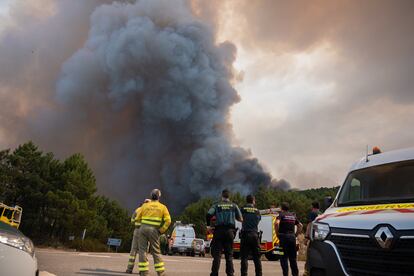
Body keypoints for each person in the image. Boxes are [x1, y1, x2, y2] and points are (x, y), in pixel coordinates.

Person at [206, 189, 243, 276]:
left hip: (219, 232)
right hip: (230, 232)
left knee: (217, 255)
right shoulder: (234, 206)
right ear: (229, 196)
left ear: (222, 196)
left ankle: (214, 273)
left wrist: (208, 227)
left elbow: (208, 214)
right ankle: (230, 274)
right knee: (229, 255)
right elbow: (241, 219)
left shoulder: (216, 205)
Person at [136, 189, 171, 276]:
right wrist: (161, 230)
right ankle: (160, 273)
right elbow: (168, 221)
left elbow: (137, 218)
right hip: (154, 230)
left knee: (142, 250)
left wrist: (141, 226)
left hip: (143, 229)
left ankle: (143, 272)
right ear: (159, 197)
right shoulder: (162, 207)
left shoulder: (145, 206)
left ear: (151, 196)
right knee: (156, 251)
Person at [276, 202, 303, 276]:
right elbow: (300, 225)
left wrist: (277, 234)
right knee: (293, 259)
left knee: (283, 258)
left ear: (282, 208)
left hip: (283, 238)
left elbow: (276, 223)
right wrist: (296, 235)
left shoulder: (281, 215)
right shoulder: (293, 216)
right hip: (292, 238)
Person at [126, 199, 151, 274]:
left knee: (133, 250)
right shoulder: (151, 212)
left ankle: (129, 269)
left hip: (137, 231)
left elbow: (132, 220)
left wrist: (138, 222)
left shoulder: (138, 210)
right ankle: (142, 270)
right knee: (143, 251)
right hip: (146, 232)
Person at [240, 195, 262, 276]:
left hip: (245, 235)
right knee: (257, 258)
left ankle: (244, 274)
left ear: (247, 201)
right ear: (253, 201)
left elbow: (239, 218)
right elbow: (258, 220)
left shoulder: (242, 209)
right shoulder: (257, 211)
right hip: (255, 235)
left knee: (244, 257)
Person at [303, 201, 322, 276]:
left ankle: (307, 272)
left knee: (309, 254)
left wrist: (306, 237)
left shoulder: (312, 213)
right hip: (320, 237)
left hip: (312, 237)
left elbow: (310, 225)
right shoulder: (321, 213)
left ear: (312, 206)